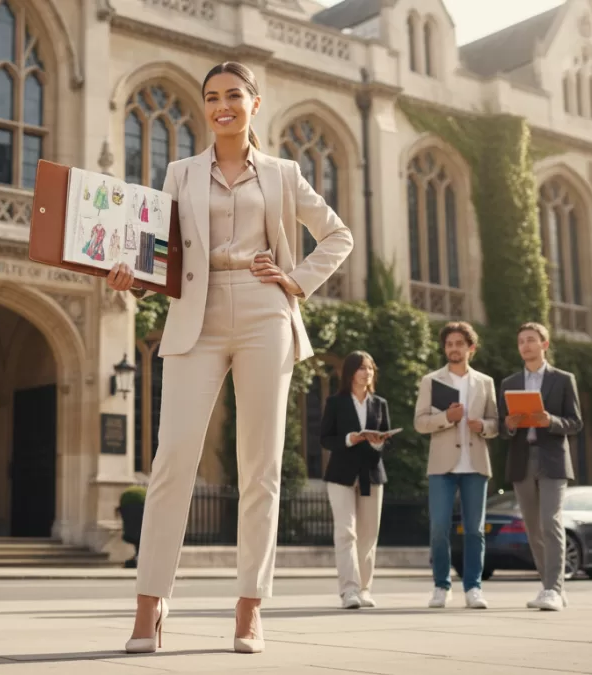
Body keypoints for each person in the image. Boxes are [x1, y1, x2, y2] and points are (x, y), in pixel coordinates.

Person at [106, 61, 353, 654]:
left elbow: (339, 235)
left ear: (254, 103)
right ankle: (150, 604)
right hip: (197, 307)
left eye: (233, 96)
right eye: (212, 97)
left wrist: (295, 280)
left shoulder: (284, 173)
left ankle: (249, 608)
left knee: (261, 466)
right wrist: (130, 278)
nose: (222, 106)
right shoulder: (180, 173)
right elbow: (160, 253)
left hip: (266, 307)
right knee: (171, 461)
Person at [413, 322, 500, 610]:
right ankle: (441, 586)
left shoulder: (485, 383)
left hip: (475, 464)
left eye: (459, 344)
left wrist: (483, 426)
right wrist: (446, 418)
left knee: (474, 530)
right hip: (442, 467)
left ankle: (473, 588)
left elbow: (496, 424)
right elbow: (420, 423)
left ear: (470, 348)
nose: (453, 349)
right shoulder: (431, 381)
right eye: (449, 344)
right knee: (439, 528)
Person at [499, 322, 583, 612]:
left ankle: (552, 589)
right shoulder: (509, 383)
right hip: (522, 461)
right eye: (521, 341)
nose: (525, 345)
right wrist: (508, 425)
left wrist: (551, 420)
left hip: (553, 460)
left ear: (544, 345)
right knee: (533, 528)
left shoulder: (562, 379)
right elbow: (502, 428)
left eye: (531, 340)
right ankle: (551, 584)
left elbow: (576, 422)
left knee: (551, 522)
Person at [320, 351, 391, 610]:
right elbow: (325, 438)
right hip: (341, 475)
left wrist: (377, 443)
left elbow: (387, 442)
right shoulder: (336, 402)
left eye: (370, 368)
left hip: (371, 475)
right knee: (346, 532)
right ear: (350, 372)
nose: (367, 373)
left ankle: (365, 589)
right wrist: (350, 439)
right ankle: (349, 590)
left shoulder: (379, 403)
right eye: (362, 368)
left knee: (368, 535)